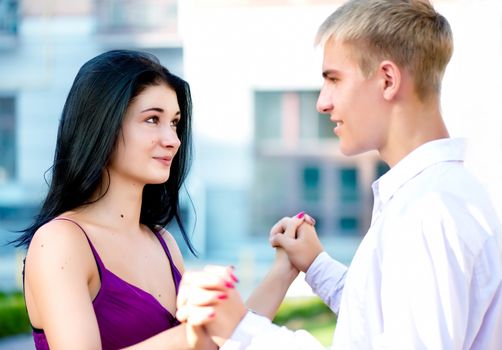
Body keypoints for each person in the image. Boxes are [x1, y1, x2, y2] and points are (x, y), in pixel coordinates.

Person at [175, 0, 502, 349]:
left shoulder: (430, 212)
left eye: (334, 79)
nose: (322, 103)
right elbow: (383, 322)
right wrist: (317, 266)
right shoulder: (432, 197)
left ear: (388, 80)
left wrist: (243, 329)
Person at [14, 50, 219, 349]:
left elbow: (219, 339)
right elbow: (201, 338)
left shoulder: (162, 242)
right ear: (102, 126)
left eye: (174, 123)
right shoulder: (60, 242)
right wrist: (193, 334)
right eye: (152, 119)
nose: (173, 139)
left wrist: (283, 269)